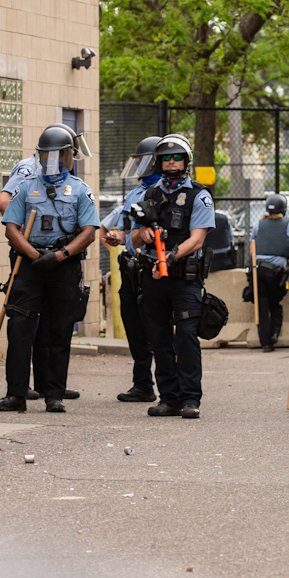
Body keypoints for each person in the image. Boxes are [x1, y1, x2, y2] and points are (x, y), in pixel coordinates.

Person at [0, 124, 100, 413]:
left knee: (59, 330)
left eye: (58, 156)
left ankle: (54, 394)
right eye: (46, 155)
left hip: (63, 266)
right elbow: (11, 228)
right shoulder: (26, 187)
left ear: (68, 157)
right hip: (30, 264)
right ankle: (16, 394)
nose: (52, 161)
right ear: (39, 156)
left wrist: (61, 256)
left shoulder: (80, 190)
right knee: (20, 328)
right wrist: (32, 254)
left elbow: (89, 232)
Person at [127, 134, 217, 419]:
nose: (171, 163)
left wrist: (169, 255)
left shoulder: (199, 195)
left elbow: (197, 239)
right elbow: (134, 237)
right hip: (153, 277)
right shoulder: (150, 194)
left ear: (186, 160)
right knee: (159, 337)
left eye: (176, 157)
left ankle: (191, 398)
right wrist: (143, 234)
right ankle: (169, 397)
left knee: (187, 335)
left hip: (184, 278)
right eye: (165, 158)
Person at [99, 135, 163, 402]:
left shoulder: (166, 191)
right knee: (133, 325)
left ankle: (171, 386)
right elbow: (124, 229)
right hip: (130, 268)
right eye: (141, 163)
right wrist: (117, 237)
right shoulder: (135, 193)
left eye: (148, 163)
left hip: (154, 268)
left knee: (157, 328)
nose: (143, 169)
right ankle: (142, 384)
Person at [250, 194, 289, 352]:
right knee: (275, 304)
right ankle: (275, 332)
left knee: (261, 305)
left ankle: (265, 343)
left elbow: (252, 246)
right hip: (276, 273)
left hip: (258, 270)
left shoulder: (258, 223)